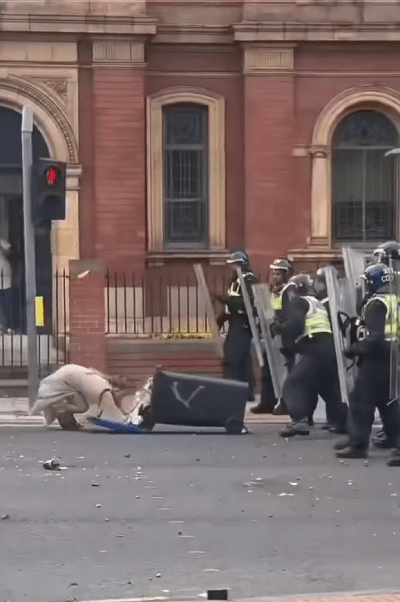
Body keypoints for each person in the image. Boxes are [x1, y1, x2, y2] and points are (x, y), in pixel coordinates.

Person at [335, 263, 400, 466]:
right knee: (389, 403)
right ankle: (392, 440)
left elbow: (375, 336)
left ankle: (358, 445)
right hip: (392, 355)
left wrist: (355, 349)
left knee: (360, 401)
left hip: (376, 358)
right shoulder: (394, 300)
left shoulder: (375, 304)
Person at [278, 273, 347, 438]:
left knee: (294, 383)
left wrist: (280, 329)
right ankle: (343, 421)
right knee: (326, 387)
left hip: (314, 347)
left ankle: (299, 421)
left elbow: (295, 325)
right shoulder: (316, 302)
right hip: (328, 348)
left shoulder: (298, 301)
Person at [251, 257, 293, 414]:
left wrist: (278, 326)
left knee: (283, 373)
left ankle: (285, 403)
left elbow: (288, 315)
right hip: (271, 335)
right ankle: (267, 402)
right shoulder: (272, 291)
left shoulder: (288, 292)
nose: (275, 277)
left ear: (286, 274)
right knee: (267, 370)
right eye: (273, 273)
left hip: (283, 337)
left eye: (278, 274)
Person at [214, 250, 258, 401]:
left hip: (243, 323)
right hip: (234, 321)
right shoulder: (235, 282)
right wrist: (222, 318)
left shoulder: (249, 281)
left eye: (236, 265)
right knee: (242, 359)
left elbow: (248, 303)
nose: (233, 268)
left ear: (243, 265)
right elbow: (232, 304)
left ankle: (233, 391)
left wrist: (227, 301)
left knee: (233, 357)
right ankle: (244, 392)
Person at [30, 364, 129, 430]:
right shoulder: (102, 388)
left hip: (64, 378)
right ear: (117, 389)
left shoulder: (101, 382)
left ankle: (64, 414)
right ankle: (60, 409)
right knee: (82, 407)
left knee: (81, 404)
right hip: (59, 382)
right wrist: (125, 420)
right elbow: (108, 411)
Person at [0, 238, 14, 333]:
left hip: (6, 284)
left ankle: (6, 327)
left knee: (6, 307)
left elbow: (9, 253)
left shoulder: (3, 242)